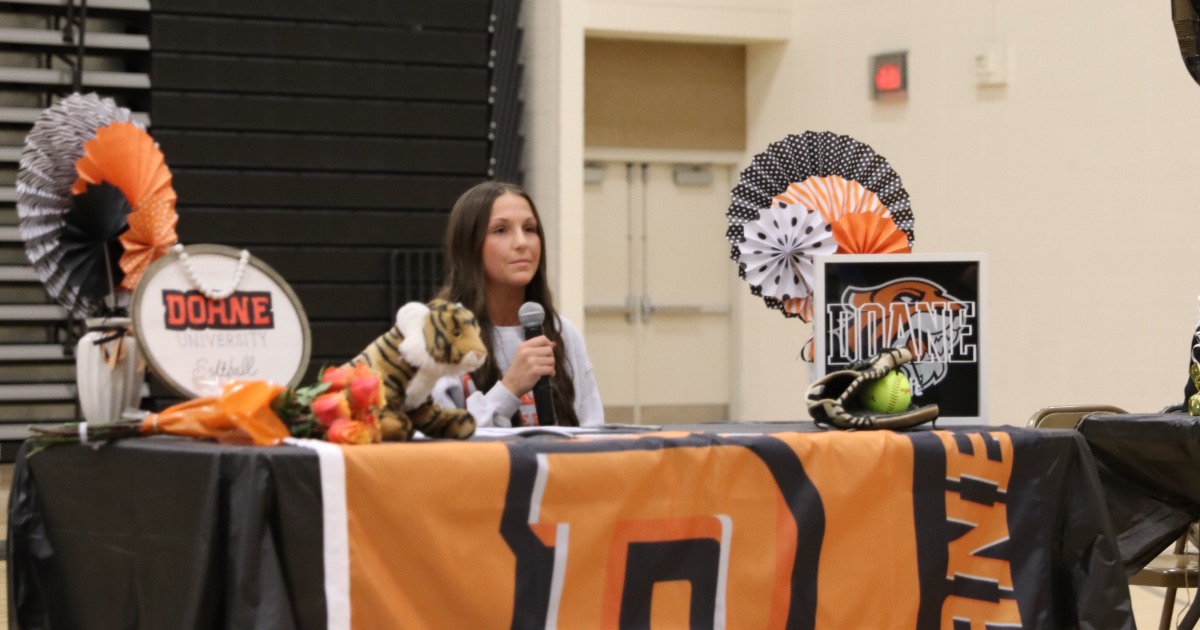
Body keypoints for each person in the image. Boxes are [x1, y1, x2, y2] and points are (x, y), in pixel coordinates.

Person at [432, 181, 604, 428]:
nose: (522, 242)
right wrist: (510, 387)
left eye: (530, 229)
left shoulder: (563, 332)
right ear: (470, 245)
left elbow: (592, 429)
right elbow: (438, 440)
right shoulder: (439, 339)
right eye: (501, 230)